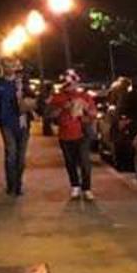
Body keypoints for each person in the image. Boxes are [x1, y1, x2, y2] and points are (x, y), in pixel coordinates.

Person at [47, 70, 97, 200]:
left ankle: (87, 188)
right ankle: (75, 185)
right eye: (67, 83)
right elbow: (50, 115)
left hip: (82, 134)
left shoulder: (84, 96)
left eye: (72, 83)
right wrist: (63, 107)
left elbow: (93, 114)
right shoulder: (57, 97)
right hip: (65, 135)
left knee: (85, 162)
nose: (71, 86)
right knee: (70, 162)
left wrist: (85, 109)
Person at [0, 60, 31, 196]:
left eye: (12, 66)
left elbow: (33, 100)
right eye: (6, 66)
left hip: (23, 124)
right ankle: (11, 185)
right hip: (6, 123)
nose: (9, 69)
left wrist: (27, 100)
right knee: (11, 153)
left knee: (21, 157)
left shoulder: (22, 84)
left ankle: (18, 185)